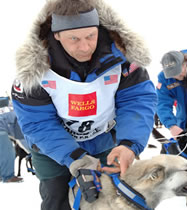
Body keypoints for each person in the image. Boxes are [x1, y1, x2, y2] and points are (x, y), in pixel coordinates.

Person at [11, 0, 157, 209]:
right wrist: (76, 158)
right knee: (57, 199)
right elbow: (39, 124)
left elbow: (137, 101)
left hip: (105, 144)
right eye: (74, 38)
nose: (85, 46)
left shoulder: (123, 60)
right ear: (57, 35)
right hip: (52, 151)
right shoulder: (33, 74)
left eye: (91, 36)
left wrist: (129, 144)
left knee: (110, 200)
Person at [0, 111, 25, 183]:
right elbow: (20, 139)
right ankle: (8, 177)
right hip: (1, 129)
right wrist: (31, 152)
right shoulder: (21, 118)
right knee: (8, 153)